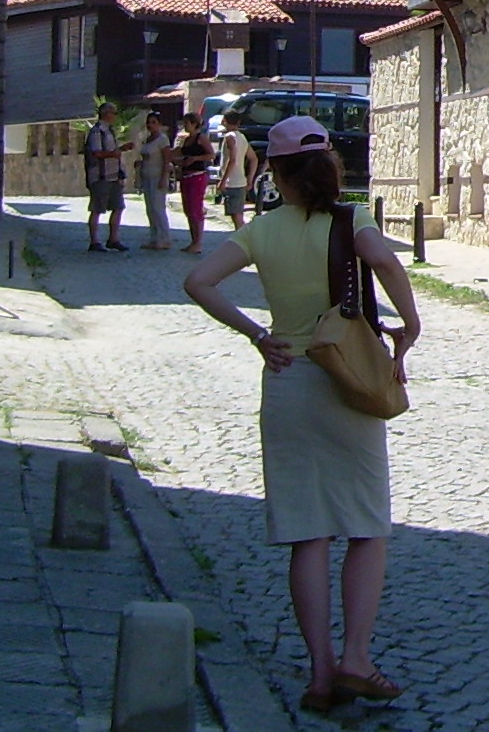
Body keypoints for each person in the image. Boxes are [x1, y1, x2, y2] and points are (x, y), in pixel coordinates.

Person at [183, 116, 418, 711]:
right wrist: (410, 325)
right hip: (348, 378)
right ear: (330, 168)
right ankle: (356, 658)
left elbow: (199, 281)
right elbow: (385, 262)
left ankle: (319, 672)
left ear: (276, 173)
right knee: (366, 526)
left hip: (287, 379)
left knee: (306, 533)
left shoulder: (260, 231)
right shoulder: (352, 219)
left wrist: (256, 334)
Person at [83, 104, 128, 252]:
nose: (115, 116)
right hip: (100, 176)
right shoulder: (97, 132)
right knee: (97, 209)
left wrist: (121, 150)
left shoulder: (109, 131)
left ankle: (113, 239)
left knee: (118, 207)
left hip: (113, 175)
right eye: (114, 113)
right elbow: (96, 153)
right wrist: (113, 154)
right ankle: (94, 241)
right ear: (106, 114)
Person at [134, 111, 176, 250]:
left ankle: (164, 238)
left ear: (159, 124)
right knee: (150, 209)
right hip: (146, 176)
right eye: (149, 122)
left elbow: (166, 159)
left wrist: (164, 177)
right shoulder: (147, 140)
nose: (150, 125)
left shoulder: (162, 140)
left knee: (158, 208)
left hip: (158, 177)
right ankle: (154, 237)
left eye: (154, 122)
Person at [176, 111, 215, 254]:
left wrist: (196, 158)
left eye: (187, 123)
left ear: (194, 124)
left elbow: (211, 154)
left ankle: (198, 242)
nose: (184, 126)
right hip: (186, 175)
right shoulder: (187, 139)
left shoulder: (201, 138)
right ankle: (193, 241)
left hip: (197, 176)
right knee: (188, 209)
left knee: (195, 209)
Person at [215, 110, 257, 230]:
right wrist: (250, 178)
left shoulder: (229, 137)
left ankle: (243, 238)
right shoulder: (242, 137)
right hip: (241, 181)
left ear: (224, 121)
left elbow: (232, 160)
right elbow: (254, 158)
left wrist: (223, 180)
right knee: (238, 215)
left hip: (232, 182)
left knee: (237, 217)